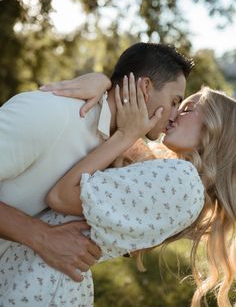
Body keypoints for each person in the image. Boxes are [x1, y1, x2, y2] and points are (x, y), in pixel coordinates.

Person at [1, 80, 236, 307]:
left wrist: (124, 131)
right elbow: (127, 130)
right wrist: (103, 83)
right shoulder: (178, 180)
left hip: (40, 280)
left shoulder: (182, 179)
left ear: (215, 127)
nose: (173, 115)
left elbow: (61, 196)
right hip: (44, 272)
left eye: (186, 109)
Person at [0, 42, 193, 282]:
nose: (174, 116)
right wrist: (42, 236)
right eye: (175, 102)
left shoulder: (121, 149)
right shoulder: (50, 114)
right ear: (145, 87)